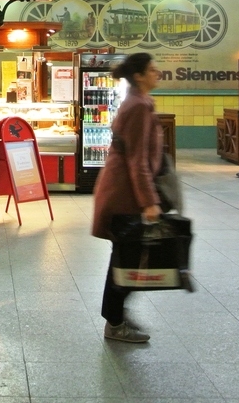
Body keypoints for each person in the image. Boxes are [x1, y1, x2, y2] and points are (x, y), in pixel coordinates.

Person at [91, 52, 163, 343]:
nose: (157, 72)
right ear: (139, 76)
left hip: (124, 188)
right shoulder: (138, 106)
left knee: (126, 256)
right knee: (126, 257)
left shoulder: (137, 102)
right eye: (152, 69)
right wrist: (149, 201)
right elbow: (137, 160)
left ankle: (117, 315)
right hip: (125, 193)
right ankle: (115, 321)